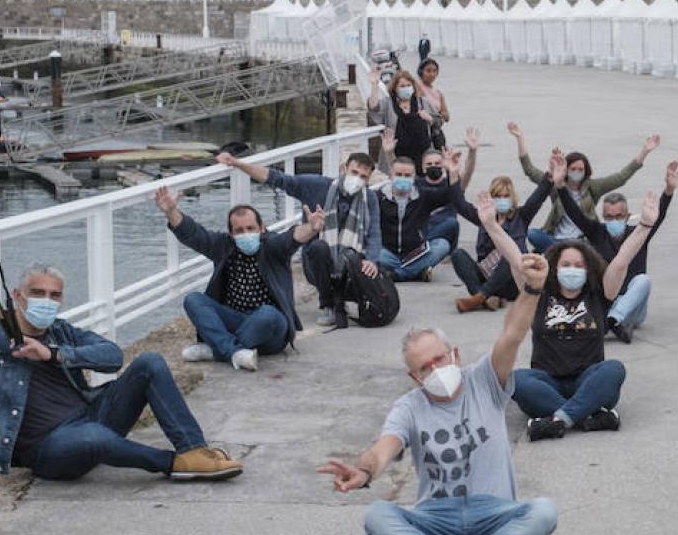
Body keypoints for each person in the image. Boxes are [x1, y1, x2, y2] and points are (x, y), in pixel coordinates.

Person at [319, 275, 558, 535]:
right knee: (376, 516)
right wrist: (364, 471)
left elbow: (512, 334)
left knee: (544, 513)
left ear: (454, 355)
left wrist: (531, 290)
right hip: (436, 518)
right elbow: (385, 447)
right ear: (414, 377)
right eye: (424, 368)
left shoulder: (485, 380)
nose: (434, 370)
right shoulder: (409, 407)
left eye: (439, 360)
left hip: (493, 513)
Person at [0, 257, 242, 481]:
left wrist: (53, 354)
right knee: (93, 437)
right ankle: (173, 463)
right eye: (38, 293)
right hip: (49, 449)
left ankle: (194, 450)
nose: (47, 301)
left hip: (92, 415)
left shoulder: (61, 332)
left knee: (149, 362)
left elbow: (112, 356)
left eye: (54, 295)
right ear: (17, 296)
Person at [481, 191, 660, 440]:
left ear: (588, 269)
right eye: (566, 265)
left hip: (589, 380)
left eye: (578, 265)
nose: (572, 270)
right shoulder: (539, 293)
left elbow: (621, 261)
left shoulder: (600, 293)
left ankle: (558, 420)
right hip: (547, 382)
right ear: (554, 268)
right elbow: (516, 258)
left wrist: (645, 226)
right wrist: (491, 225)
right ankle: (588, 415)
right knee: (516, 380)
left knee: (613, 370)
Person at [219, 149, 382, 329]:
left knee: (363, 264)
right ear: (344, 169)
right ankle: (328, 303)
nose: (357, 179)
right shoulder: (317, 186)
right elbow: (277, 178)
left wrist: (372, 260)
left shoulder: (369, 198)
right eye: (354, 172)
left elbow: (374, 232)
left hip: (349, 263)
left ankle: (343, 298)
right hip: (317, 262)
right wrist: (238, 163)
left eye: (363, 176)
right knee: (319, 247)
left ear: (368, 179)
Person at [158, 186, 314, 371]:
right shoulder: (223, 246)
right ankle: (234, 352)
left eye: (250, 228)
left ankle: (217, 350)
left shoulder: (272, 246)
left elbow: (291, 238)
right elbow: (195, 235)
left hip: (271, 331)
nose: (245, 234)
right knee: (193, 300)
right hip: (235, 319)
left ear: (262, 228)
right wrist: (171, 212)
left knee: (268, 314)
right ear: (231, 234)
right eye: (239, 230)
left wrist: (311, 228)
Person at [556, 160, 678, 341]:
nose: (613, 220)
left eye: (618, 216)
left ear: (627, 216)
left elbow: (657, 216)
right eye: (609, 217)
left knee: (643, 280)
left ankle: (612, 320)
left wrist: (669, 190)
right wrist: (560, 186)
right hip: (605, 303)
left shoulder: (639, 234)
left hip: (633, 309)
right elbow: (575, 214)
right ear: (603, 217)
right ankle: (614, 321)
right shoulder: (598, 233)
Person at [509, 121, 661, 245]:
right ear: (565, 170)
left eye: (580, 169)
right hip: (555, 239)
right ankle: (560, 250)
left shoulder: (593, 187)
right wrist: (520, 139)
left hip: (583, 241)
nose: (577, 172)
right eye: (573, 169)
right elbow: (529, 170)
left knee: (592, 244)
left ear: (586, 170)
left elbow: (621, 177)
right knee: (532, 234)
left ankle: (569, 251)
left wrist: (645, 151)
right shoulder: (556, 185)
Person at [450, 171, 553, 313]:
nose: (502, 200)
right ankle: (484, 297)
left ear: (512, 198)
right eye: (497, 196)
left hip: (512, 281)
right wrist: (453, 174)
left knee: (509, 255)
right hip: (487, 274)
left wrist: (549, 177)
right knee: (458, 254)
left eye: (506, 196)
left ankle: (479, 298)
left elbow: (537, 198)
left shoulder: (521, 216)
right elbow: (459, 204)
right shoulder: (485, 217)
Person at [373, 155, 458, 283]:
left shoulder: (423, 195)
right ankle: (415, 272)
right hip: (387, 253)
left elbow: (455, 194)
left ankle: (398, 274)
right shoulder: (378, 197)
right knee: (368, 250)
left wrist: (454, 172)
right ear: (391, 175)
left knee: (442, 245)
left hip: (416, 253)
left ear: (414, 177)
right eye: (399, 174)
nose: (403, 178)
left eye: (407, 176)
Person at [369, 68, 439, 167]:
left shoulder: (423, 102)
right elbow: (373, 108)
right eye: (402, 86)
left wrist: (430, 119)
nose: (406, 88)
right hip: (396, 156)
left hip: (423, 157)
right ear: (395, 88)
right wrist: (374, 85)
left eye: (408, 85)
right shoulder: (388, 103)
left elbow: (439, 121)